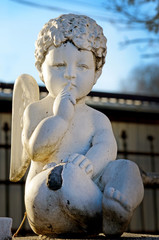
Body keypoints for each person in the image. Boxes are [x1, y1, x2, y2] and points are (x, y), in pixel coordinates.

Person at [22, 14, 144, 236]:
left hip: (87, 188)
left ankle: (116, 211)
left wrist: (90, 163)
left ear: (96, 73)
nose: (70, 74)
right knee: (68, 176)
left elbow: (107, 149)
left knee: (127, 168)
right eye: (59, 65)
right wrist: (61, 118)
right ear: (41, 69)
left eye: (83, 67)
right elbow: (36, 151)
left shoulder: (97, 118)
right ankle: (103, 215)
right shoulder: (36, 110)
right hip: (46, 196)